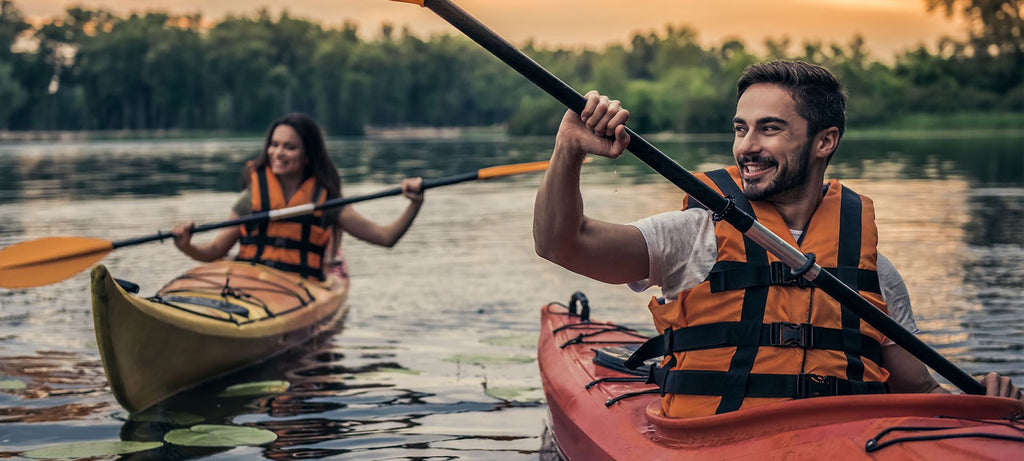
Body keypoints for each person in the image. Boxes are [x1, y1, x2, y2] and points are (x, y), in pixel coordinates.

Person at [533, 60, 1022, 419]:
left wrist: (984, 405)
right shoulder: (693, 236)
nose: (748, 146)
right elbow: (561, 243)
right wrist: (569, 149)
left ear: (824, 142)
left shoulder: (873, 271)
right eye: (741, 129)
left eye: (770, 129)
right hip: (712, 441)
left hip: (839, 446)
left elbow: (919, 391)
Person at [172, 112, 424, 281]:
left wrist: (414, 204)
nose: (278, 153)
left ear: (308, 155)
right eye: (274, 144)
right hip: (247, 284)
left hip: (298, 288)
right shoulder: (251, 199)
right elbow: (215, 249)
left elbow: (385, 237)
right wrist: (186, 245)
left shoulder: (327, 203)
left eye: (289, 147)